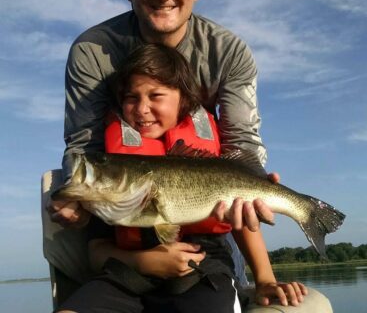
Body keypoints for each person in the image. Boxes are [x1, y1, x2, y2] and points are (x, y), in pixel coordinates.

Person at [48, 0, 277, 237]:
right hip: (121, 204)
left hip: (207, 205)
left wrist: (257, 185)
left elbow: (243, 144)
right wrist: (74, 197)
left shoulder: (229, 52)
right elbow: (83, 144)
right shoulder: (92, 52)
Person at [55, 45, 306, 313]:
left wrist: (265, 279)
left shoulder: (213, 157)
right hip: (125, 275)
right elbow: (96, 253)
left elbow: (243, 221)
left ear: (183, 100)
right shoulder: (108, 188)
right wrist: (144, 261)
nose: (142, 108)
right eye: (131, 97)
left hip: (202, 270)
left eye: (156, 96)